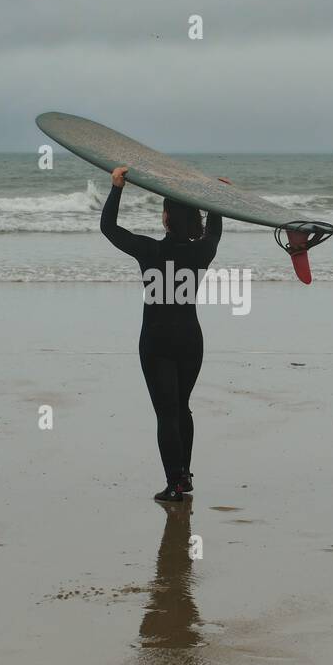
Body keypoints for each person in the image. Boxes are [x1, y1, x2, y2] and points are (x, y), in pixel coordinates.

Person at [100, 166, 223, 502]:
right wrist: (216, 198)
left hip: (156, 341)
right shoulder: (203, 252)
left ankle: (175, 484)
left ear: (167, 219)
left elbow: (108, 227)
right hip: (190, 340)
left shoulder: (149, 250)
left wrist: (117, 187)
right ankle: (184, 474)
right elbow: (214, 231)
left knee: (166, 413)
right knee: (182, 407)